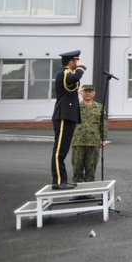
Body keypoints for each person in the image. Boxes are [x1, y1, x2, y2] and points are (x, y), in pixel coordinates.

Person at [50, 50, 85, 189]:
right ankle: (58, 181)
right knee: (59, 151)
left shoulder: (68, 74)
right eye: (77, 61)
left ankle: (61, 180)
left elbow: (73, 82)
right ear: (71, 61)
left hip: (68, 116)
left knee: (62, 150)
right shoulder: (65, 73)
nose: (78, 63)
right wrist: (82, 68)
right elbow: (72, 79)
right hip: (63, 116)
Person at [70, 84, 106, 183]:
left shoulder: (99, 107)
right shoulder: (75, 106)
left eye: (90, 91)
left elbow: (103, 124)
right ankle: (78, 192)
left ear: (94, 93)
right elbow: (69, 123)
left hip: (93, 141)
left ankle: (89, 191)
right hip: (78, 141)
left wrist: (103, 139)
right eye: (85, 91)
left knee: (91, 168)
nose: (88, 93)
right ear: (81, 93)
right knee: (77, 167)